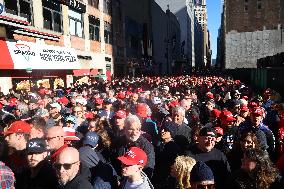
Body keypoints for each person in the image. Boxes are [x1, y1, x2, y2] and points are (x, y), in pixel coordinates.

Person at [3, 120, 31, 188]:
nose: (6, 138)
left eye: (9, 135)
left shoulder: (33, 157)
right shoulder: (10, 157)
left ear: (19, 136)